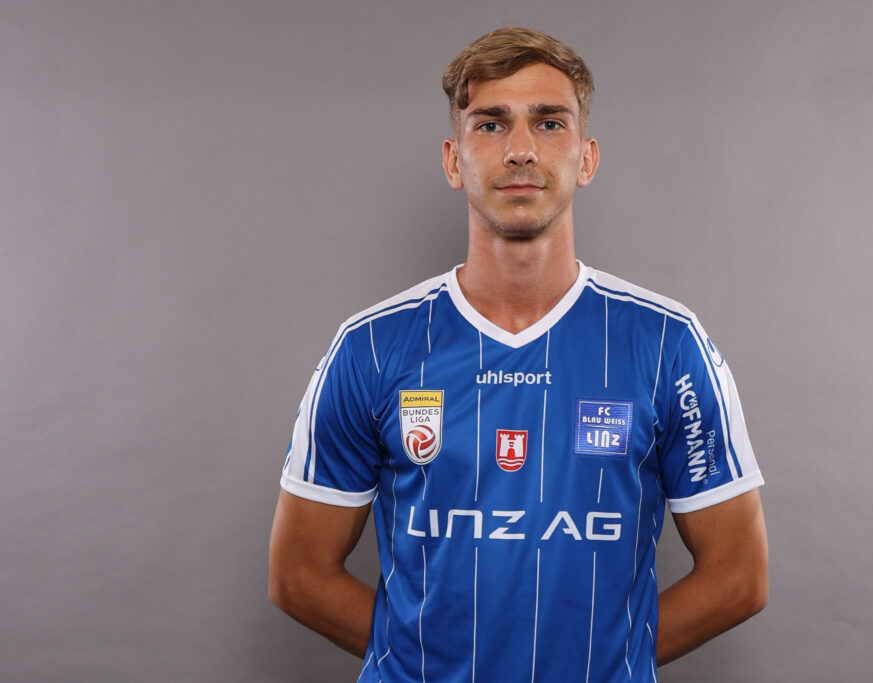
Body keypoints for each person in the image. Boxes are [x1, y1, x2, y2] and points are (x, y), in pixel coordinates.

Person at [269, 27, 768, 681]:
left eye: (549, 122)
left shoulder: (668, 345)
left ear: (586, 158)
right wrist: (432, 666)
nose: (522, 150)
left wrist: (598, 667)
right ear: (454, 160)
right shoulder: (370, 346)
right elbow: (298, 574)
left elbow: (739, 576)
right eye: (491, 124)